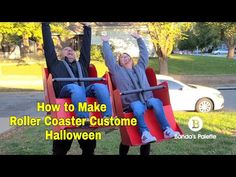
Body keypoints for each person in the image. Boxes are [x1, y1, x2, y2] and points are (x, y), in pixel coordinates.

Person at [102, 32, 180, 154]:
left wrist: (139, 39)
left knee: (156, 101)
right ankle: (144, 133)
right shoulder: (117, 71)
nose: (125, 57)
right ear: (119, 62)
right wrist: (105, 43)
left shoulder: (140, 67)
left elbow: (144, 54)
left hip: (147, 100)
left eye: (127, 56)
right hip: (131, 103)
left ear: (132, 59)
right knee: (137, 106)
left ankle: (167, 129)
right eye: (122, 57)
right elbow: (109, 59)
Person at [42, 22, 112, 155]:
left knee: (100, 87)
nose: (70, 51)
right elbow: (49, 46)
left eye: (72, 50)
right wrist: (45, 25)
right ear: (61, 54)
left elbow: (86, 48)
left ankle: (107, 117)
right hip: (65, 97)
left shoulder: (82, 64)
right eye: (66, 50)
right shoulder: (55, 64)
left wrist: (88, 28)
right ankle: (83, 119)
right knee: (60, 149)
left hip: (83, 97)